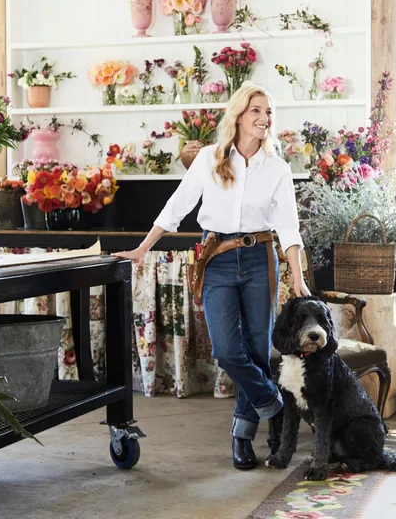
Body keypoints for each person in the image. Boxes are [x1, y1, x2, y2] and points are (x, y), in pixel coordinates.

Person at [112, 81, 310, 470]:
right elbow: (176, 207)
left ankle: (242, 436)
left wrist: (298, 278)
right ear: (238, 115)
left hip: (260, 260)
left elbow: (289, 227)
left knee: (256, 349)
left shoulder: (277, 169)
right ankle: (273, 405)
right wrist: (141, 249)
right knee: (226, 350)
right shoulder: (209, 158)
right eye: (256, 110)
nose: (264, 118)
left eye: (268, 112)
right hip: (215, 258)